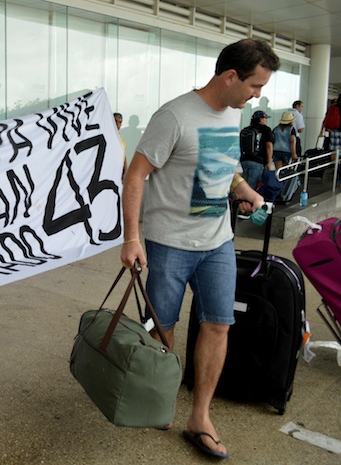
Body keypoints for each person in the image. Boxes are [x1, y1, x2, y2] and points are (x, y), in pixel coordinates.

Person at [121, 38, 279, 459]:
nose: (257, 96)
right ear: (230, 76)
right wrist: (132, 238)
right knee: (162, 327)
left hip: (218, 243)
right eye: (254, 86)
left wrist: (248, 191)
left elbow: (224, 170)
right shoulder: (174, 116)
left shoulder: (233, 111)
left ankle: (200, 417)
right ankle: (160, 399)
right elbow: (135, 176)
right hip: (169, 242)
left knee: (218, 324)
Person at [239, 110, 274, 190]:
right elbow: (269, 145)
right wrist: (269, 162)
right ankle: (247, 202)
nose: (266, 120)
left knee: (246, 183)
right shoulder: (266, 129)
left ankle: (241, 200)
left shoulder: (245, 130)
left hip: (244, 160)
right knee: (252, 187)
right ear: (260, 119)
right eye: (265, 118)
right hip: (257, 161)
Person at [113, 112, 127, 179]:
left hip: (121, 170)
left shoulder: (120, 138)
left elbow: (123, 155)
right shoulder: (108, 136)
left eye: (120, 122)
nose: (118, 124)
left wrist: (126, 170)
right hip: (112, 170)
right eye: (115, 121)